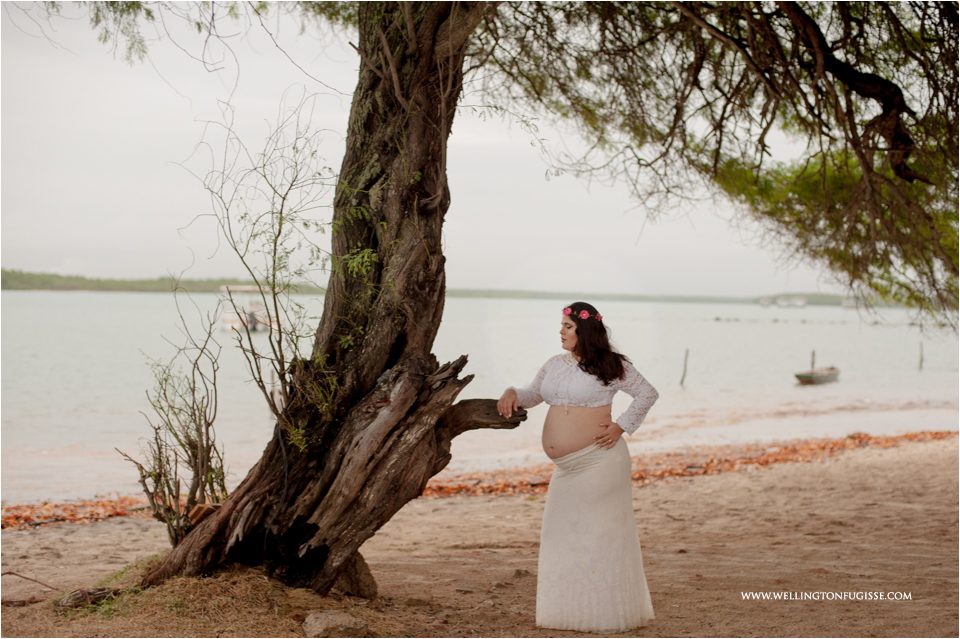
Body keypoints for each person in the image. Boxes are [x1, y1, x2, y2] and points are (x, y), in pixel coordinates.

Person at [497, 301, 659, 633]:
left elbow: (646, 394)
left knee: (597, 539)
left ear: (584, 331)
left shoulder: (612, 364)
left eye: (567, 326)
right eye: (561, 325)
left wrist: (621, 426)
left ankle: (604, 616)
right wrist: (512, 391)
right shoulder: (554, 364)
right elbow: (533, 395)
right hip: (567, 469)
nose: (561, 331)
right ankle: (569, 614)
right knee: (562, 537)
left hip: (600, 462)